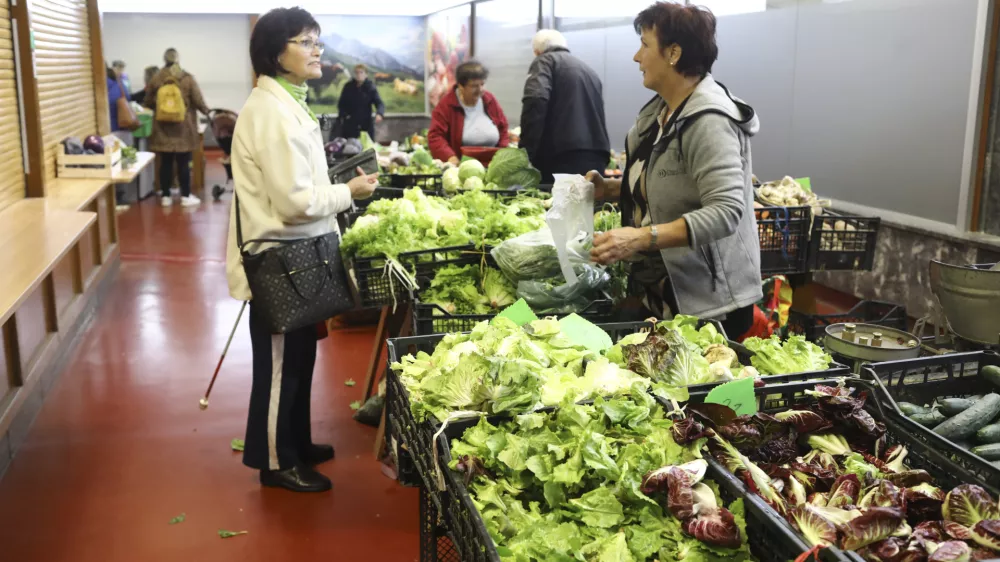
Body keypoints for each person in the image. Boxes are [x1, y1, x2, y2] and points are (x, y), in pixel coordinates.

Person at [226, 7, 378, 493]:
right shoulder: (270, 111)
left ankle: (297, 441)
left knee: (299, 359)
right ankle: (275, 462)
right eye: (306, 42)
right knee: (277, 368)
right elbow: (294, 204)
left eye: (318, 41)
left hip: (300, 255)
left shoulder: (289, 102)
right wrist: (348, 194)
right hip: (278, 260)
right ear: (277, 53)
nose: (317, 51)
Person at [589, 3, 762, 340]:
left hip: (710, 302)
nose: (636, 57)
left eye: (644, 44)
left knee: (698, 391)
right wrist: (610, 190)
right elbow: (669, 181)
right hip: (667, 287)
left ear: (673, 53)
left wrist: (640, 237)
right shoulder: (661, 112)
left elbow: (726, 212)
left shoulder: (710, 121)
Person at [520, 30, 611, 184]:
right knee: (588, 207)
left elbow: (535, 101)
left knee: (553, 205)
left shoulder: (544, 62)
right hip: (596, 157)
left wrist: (525, 153)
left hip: (560, 158)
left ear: (537, 52)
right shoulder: (589, 71)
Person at [144, 48, 211, 207]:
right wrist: (207, 111)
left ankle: (166, 196)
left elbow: (147, 101)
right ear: (178, 59)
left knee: (165, 162)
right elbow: (198, 100)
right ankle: (185, 196)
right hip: (184, 127)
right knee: (183, 162)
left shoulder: (156, 79)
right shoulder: (187, 78)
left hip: (162, 127)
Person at [428, 61, 509, 165]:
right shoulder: (446, 105)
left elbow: (503, 127)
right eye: (474, 86)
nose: (480, 90)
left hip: (494, 164)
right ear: (461, 86)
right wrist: (450, 157)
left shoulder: (489, 100)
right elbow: (436, 136)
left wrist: (503, 153)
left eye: (482, 84)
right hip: (462, 167)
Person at [337, 64, 384, 140]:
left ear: (366, 74)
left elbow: (379, 103)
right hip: (350, 124)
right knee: (350, 149)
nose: (359, 75)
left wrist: (379, 113)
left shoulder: (371, 87)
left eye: (361, 72)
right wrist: (344, 115)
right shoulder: (348, 87)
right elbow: (341, 104)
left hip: (366, 125)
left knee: (367, 148)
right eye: (357, 72)